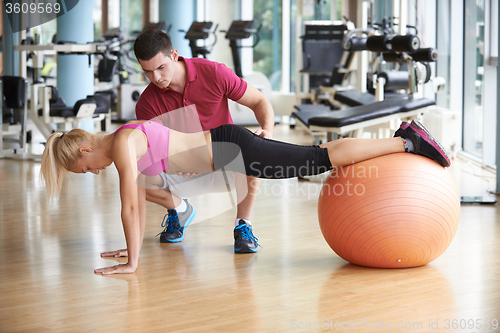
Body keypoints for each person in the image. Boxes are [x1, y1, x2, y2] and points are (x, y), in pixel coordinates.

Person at [40, 118, 450, 274]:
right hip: (228, 151)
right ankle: (404, 140)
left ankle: (406, 143)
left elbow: (129, 203)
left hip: (234, 148)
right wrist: (128, 252)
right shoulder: (124, 142)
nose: (89, 173)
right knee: (316, 159)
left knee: (317, 158)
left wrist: (133, 262)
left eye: (81, 169)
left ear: (82, 151)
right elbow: (137, 201)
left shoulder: (126, 142)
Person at [133, 28, 275, 253]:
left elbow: (259, 101)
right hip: (184, 171)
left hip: (224, 164)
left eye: (161, 67)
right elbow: (155, 151)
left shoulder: (213, 73)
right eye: (148, 72)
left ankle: (243, 226)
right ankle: (180, 210)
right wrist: (178, 161)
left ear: (174, 55)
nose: (156, 78)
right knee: (139, 178)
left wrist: (267, 131)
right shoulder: (147, 104)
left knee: (252, 150)